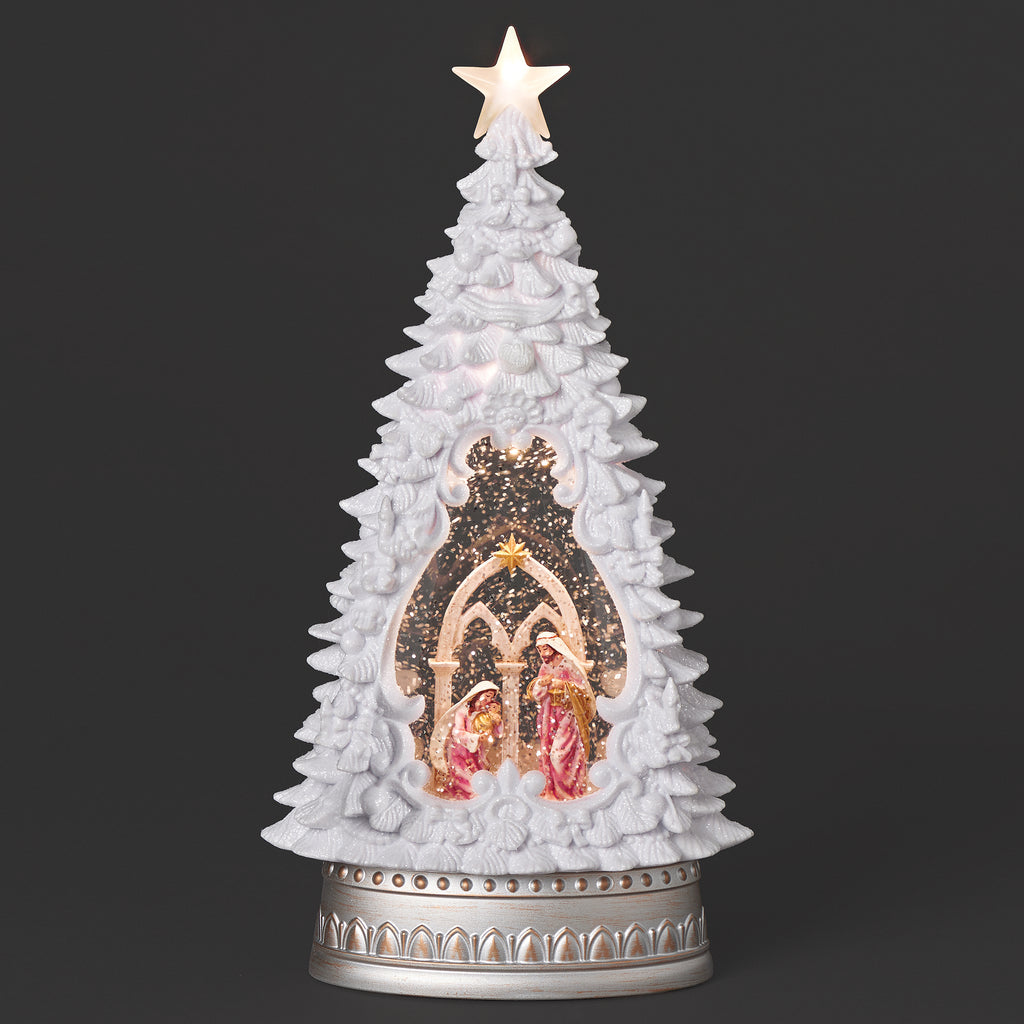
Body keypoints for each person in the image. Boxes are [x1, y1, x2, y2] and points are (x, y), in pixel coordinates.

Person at [526, 631, 596, 800]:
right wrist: (541, 684)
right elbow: (537, 694)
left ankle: (568, 791)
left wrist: (564, 686)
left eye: (545, 649)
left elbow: (582, 691)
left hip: (567, 716)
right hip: (549, 716)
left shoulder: (568, 665)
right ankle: (553, 791)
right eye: (540, 650)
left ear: (554, 648)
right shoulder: (545, 667)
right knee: (548, 752)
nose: (543, 654)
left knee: (559, 755)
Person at [429, 681, 503, 800]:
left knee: (478, 779)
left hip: (476, 754)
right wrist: (476, 738)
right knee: (464, 781)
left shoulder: (486, 714)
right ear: (478, 694)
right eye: (487, 695)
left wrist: (497, 721)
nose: (489, 700)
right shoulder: (463, 711)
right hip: (459, 752)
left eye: (491, 697)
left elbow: (498, 733)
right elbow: (457, 732)